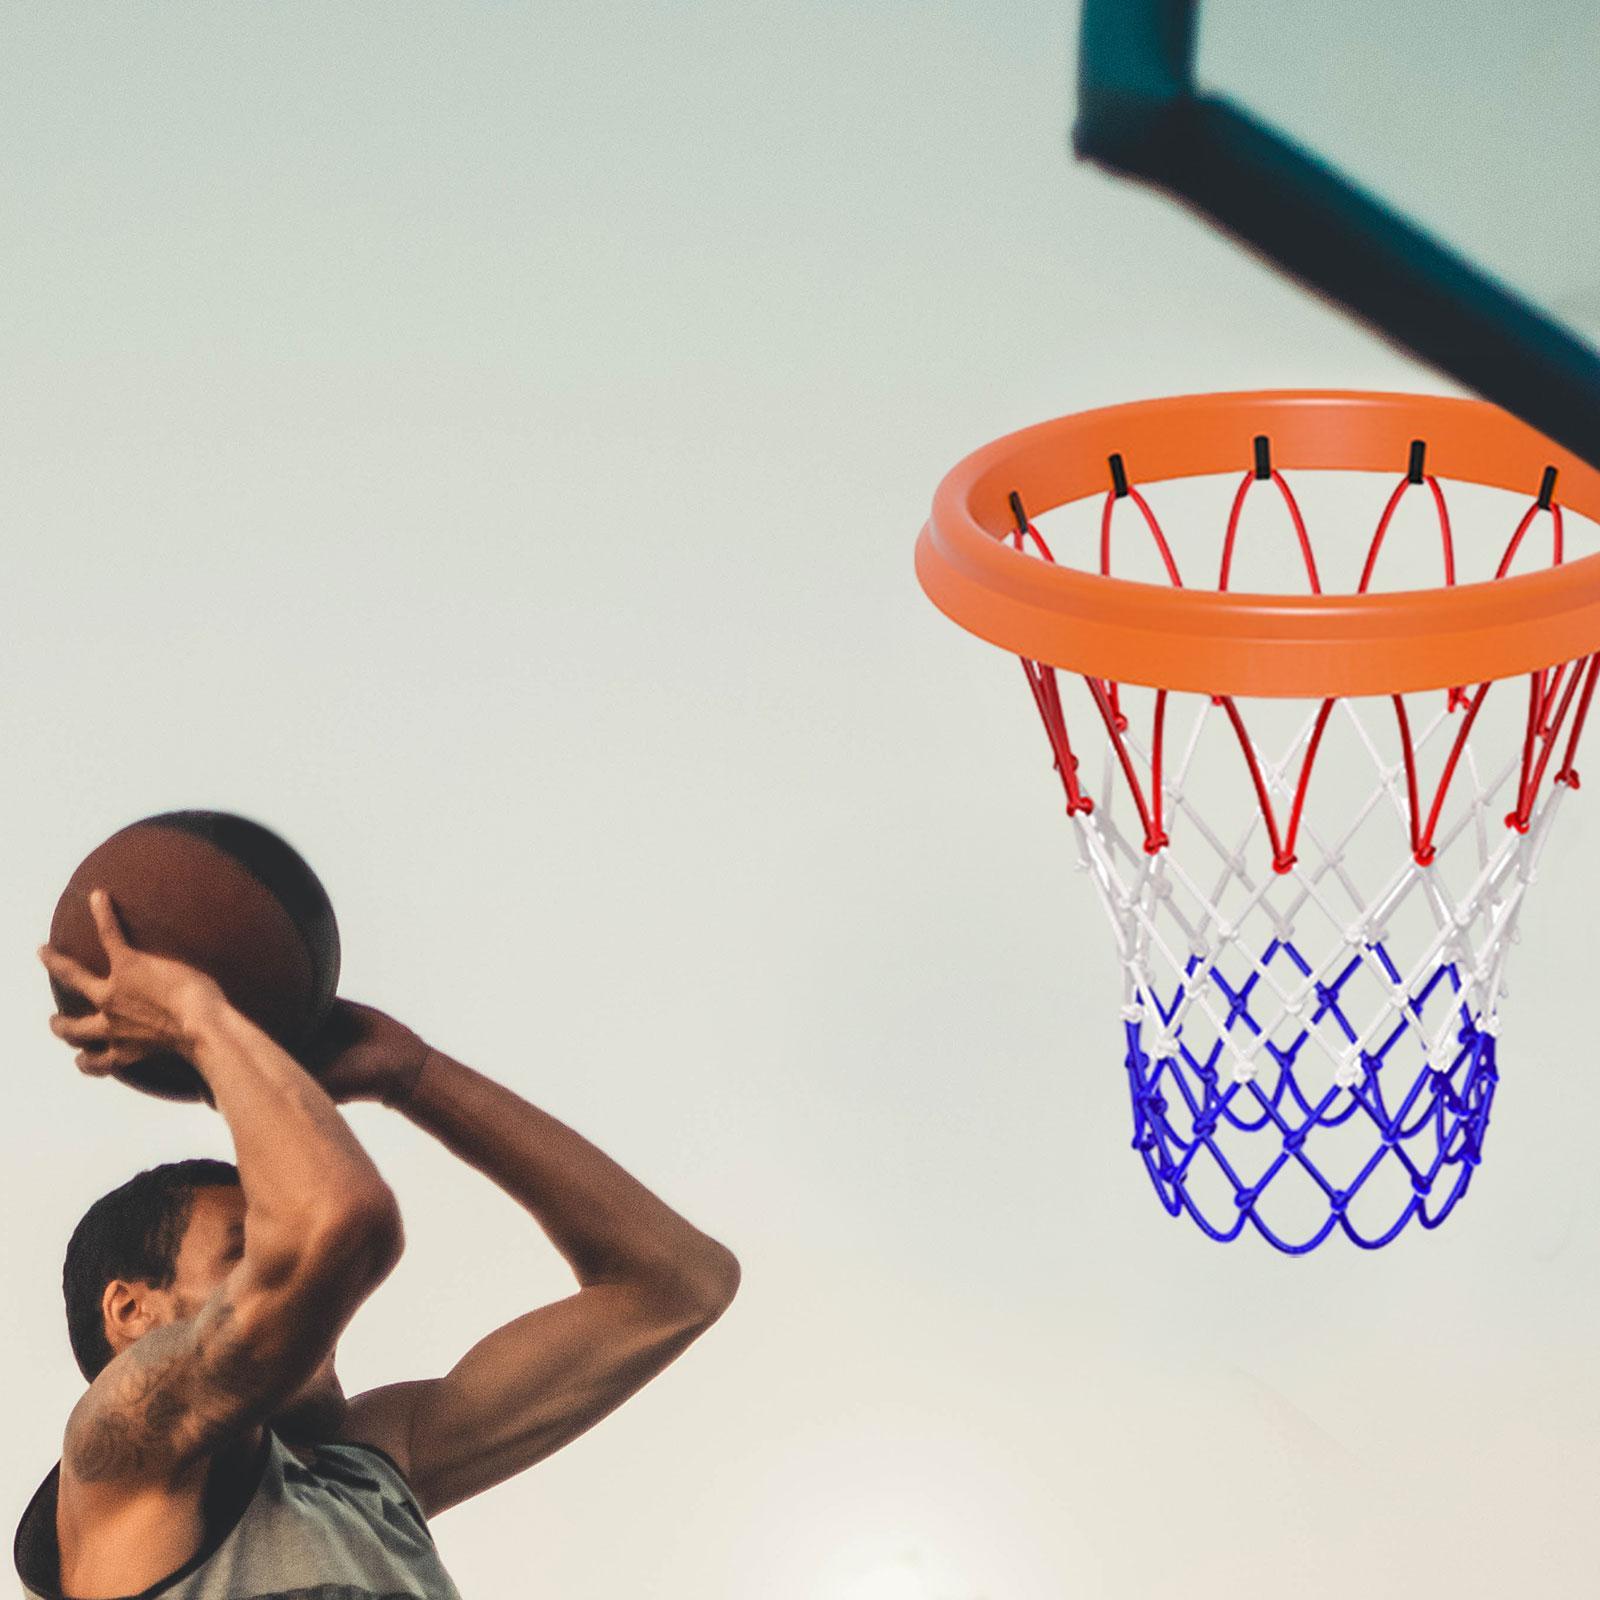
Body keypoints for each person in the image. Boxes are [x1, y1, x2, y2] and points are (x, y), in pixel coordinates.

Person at [16, 889, 741, 1599]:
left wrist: (415, 1075)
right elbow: (337, 1222)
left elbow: (676, 1285)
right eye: (246, 1251)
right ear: (132, 1310)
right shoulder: (119, 1454)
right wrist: (197, 1020)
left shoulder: (370, 1472)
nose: (306, 1294)